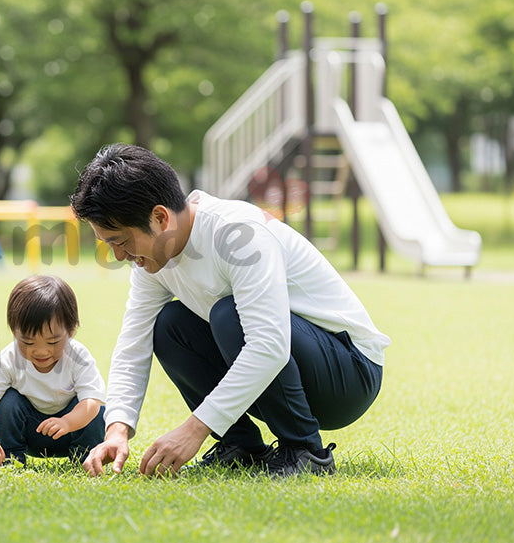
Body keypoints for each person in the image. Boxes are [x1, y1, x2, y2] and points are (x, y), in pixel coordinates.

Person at [71, 144, 390, 477]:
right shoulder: (154, 259)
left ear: (160, 217)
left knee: (228, 314)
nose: (119, 256)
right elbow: (133, 341)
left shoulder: (238, 233)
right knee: (168, 325)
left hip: (349, 371)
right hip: (295, 363)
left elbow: (269, 344)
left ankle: (305, 450)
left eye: (120, 241)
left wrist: (195, 429)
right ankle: (241, 446)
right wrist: (117, 429)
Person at [0, 275, 106, 467]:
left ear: (70, 331)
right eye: (28, 342)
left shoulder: (78, 357)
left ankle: (85, 459)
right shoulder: (8, 358)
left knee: (97, 411)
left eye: (53, 342)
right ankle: (10, 459)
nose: (41, 351)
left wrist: (67, 422)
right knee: (8, 400)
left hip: (71, 429)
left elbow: (91, 401)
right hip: (30, 432)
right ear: (14, 332)